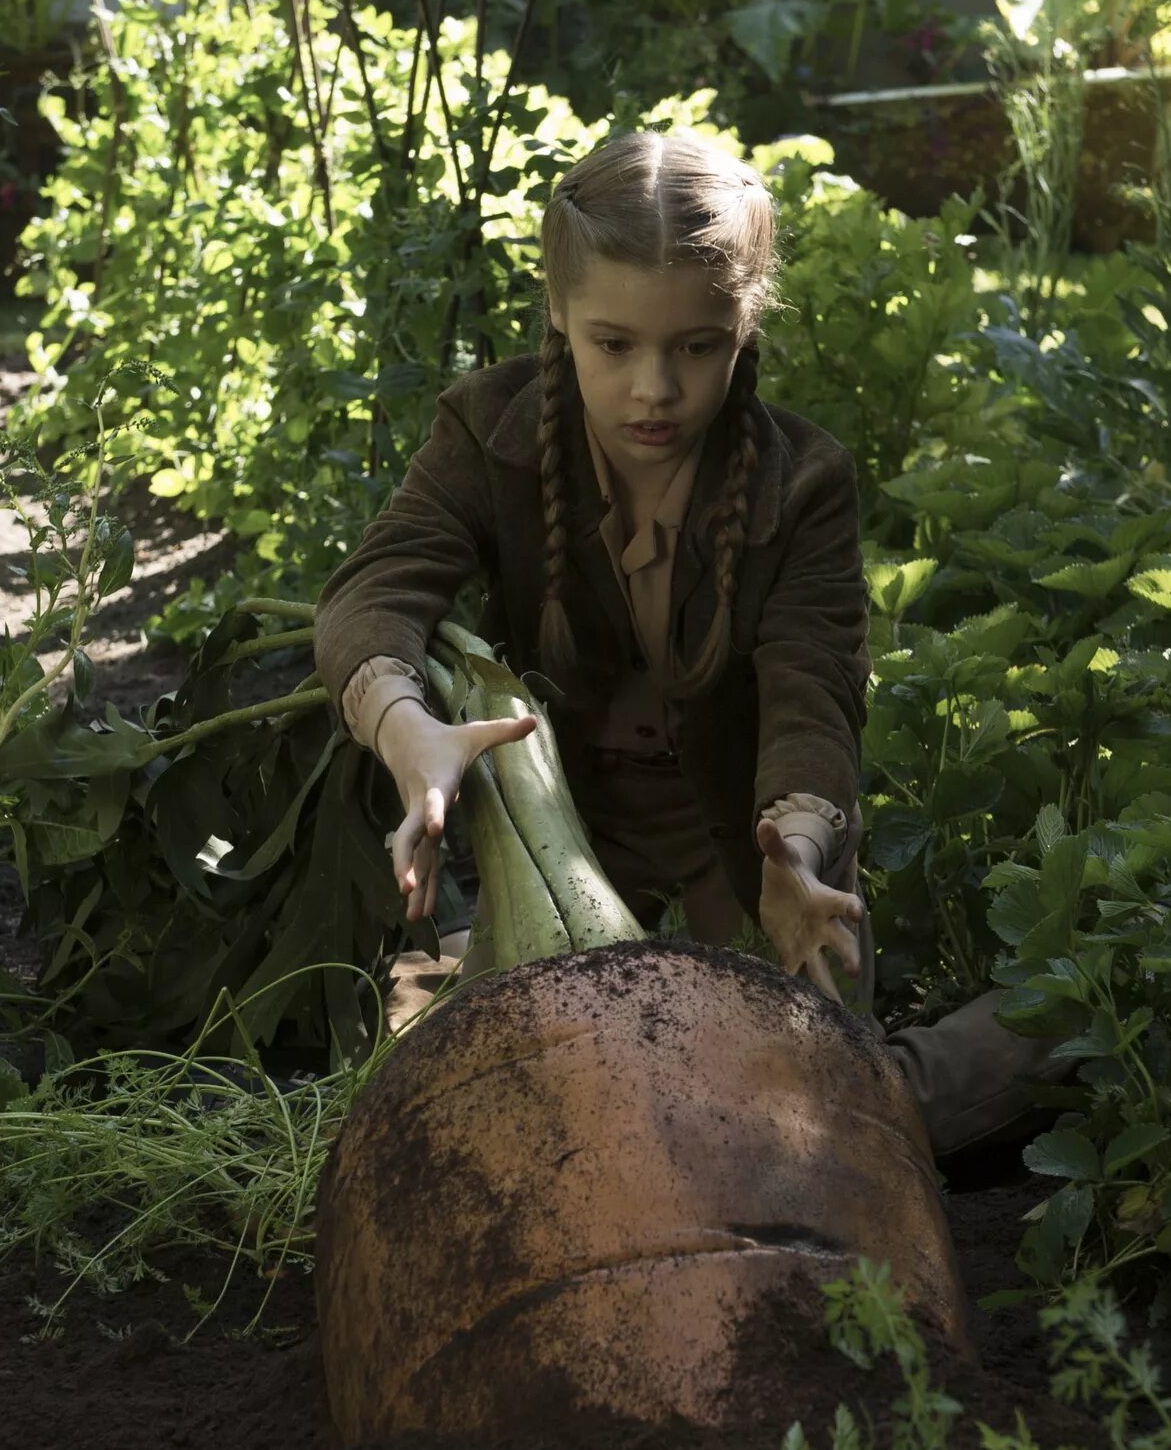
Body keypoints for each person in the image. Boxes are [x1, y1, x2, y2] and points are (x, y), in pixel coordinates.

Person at [310, 129, 1051, 1155]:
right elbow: (372, 591)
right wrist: (409, 736)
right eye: (614, 346)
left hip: (745, 854)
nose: (654, 389)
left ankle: (1043, 1028)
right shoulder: (491, 432)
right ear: (559, 313)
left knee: (811, 1120)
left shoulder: (804, 481)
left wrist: (796, 848)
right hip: (562, 847)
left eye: (695, 347)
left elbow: (814, 685)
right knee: (494, 1114)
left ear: (743, 327)